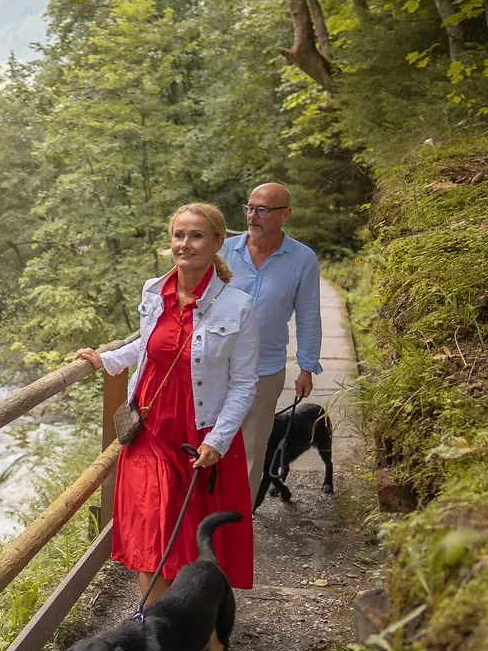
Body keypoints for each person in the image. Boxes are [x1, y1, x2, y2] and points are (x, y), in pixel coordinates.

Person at [76, 203, 259, 602]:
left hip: (199, 435)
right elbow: (151, 346)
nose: (185, 244)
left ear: (216, 243)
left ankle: (186, 624)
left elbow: (244, 384)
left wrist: (219, 440)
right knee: (151, 534)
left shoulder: (238, 306)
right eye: (179, 235)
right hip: (150, 430)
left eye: (195, 236)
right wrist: (106, 360)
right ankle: (152, 631)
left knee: (191, 544)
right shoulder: (153, 291)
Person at [221, 183, 323, 494]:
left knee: (253, 450)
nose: (253, 216)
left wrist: (306, 367)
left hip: (265, 369)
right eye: (249, 208)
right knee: (211, 441)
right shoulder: (223, 251)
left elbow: (308, 315)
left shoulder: (302, 259)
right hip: (215, 365)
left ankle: (239, 523)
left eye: (262, 210)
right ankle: (204, 517)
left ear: (285, 215)